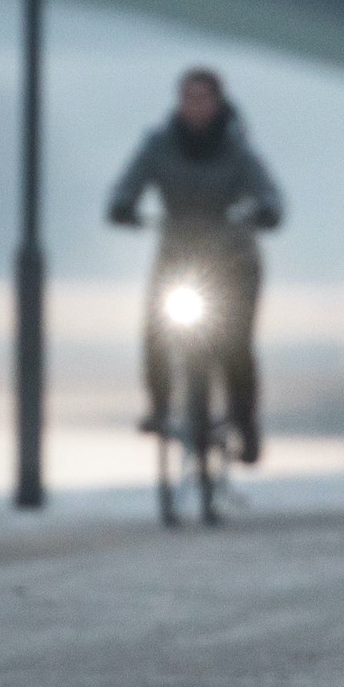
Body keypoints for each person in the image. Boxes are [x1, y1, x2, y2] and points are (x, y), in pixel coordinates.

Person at [105, 68, 284, 464]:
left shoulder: (237, 148)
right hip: (178, 256)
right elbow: (128, 183)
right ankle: (159, 407)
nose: (195, 106)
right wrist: (122, 205)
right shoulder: (158, 145)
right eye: (188, 97)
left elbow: (266, 190)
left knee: (235, 343)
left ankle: (244, 423)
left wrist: (267, 210)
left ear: (218, 102)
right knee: (157, 331)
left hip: (232, 259)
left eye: (203, 98)